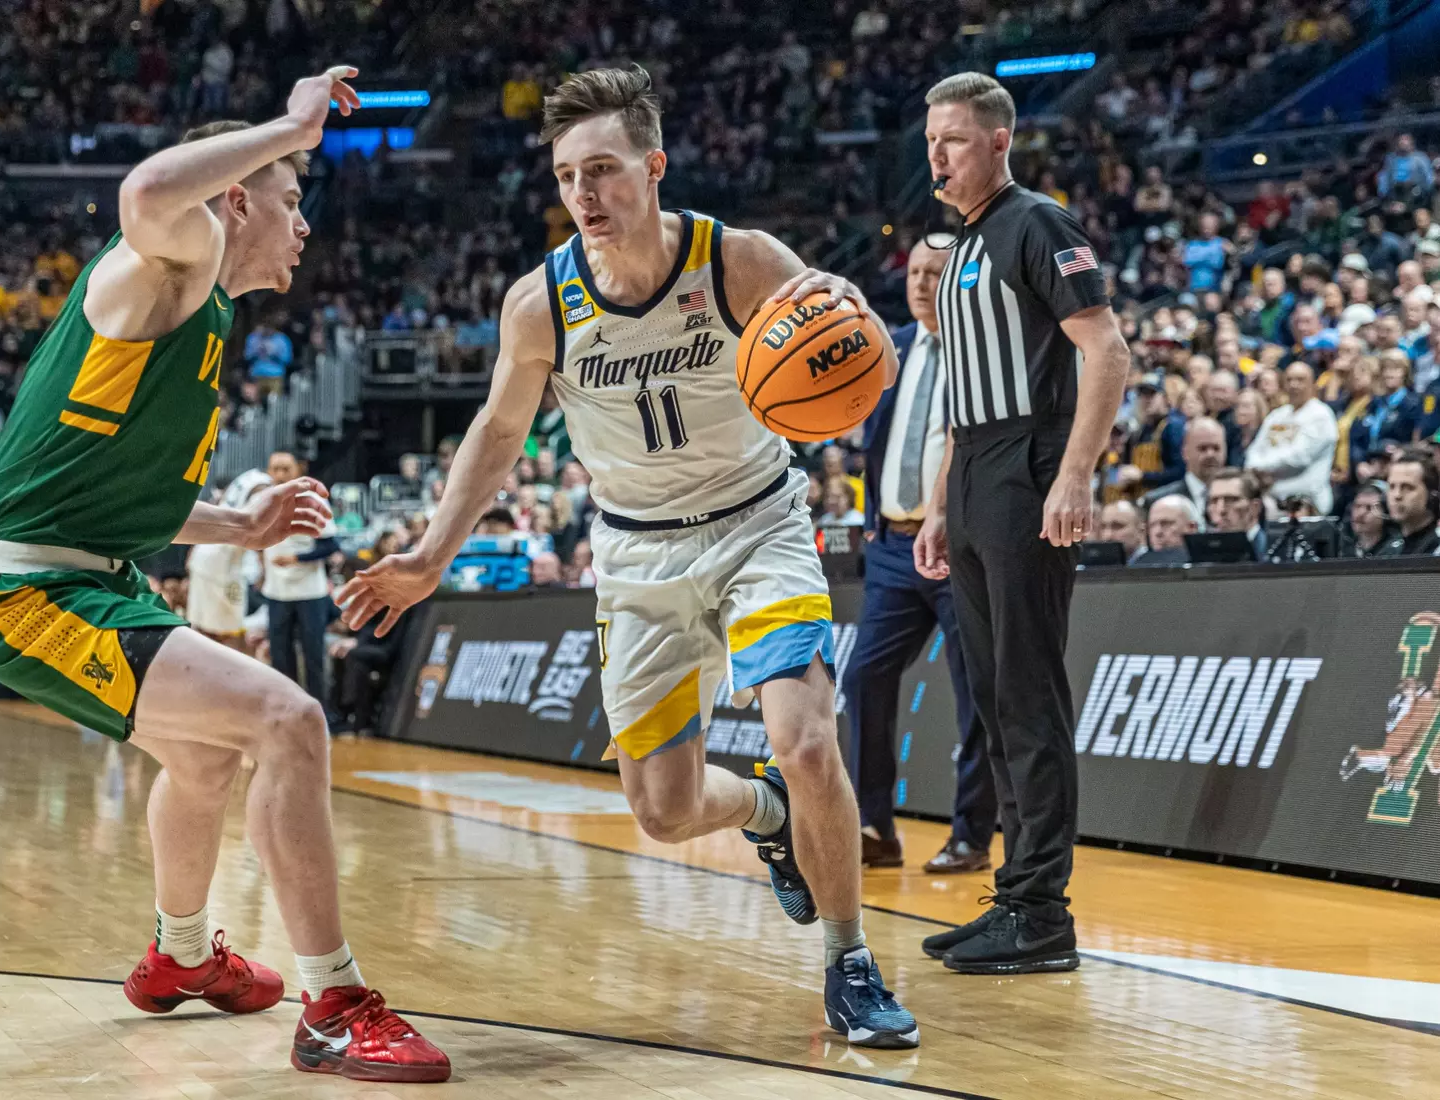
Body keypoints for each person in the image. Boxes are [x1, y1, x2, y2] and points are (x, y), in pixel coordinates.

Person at [337, 65, 919, 1048]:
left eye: (603, 170)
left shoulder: (737, 260)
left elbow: (868, 360)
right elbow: (495, 430)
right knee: (664, 807)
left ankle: (850, 960)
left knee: (810, 736)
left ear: (654, 166)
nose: (585, 195)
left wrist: (855, 327)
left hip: (755, 526)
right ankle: (765, 811)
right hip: (636, 556)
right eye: (568, 176)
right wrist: (433, 550)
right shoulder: (542, 304)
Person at [0, 68, 450, 1083]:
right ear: (234, 200)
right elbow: (142, 195)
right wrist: (290, 124)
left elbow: (115, 491)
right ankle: (336, 1003)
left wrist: (240, 523)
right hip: (27, 588)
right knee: (289, 719)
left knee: (206, 758)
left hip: (91, 572)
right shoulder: (173, 260)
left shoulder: (203, 314)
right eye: (292, 194)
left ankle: (180, 956)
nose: (303, 221)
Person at [915, 73, 1129, 975]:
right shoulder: (961, 243)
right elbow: (961, 398)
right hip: (973, 474)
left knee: (1030, 698)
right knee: (996, 699)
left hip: (1029, 467)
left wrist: (1073, 477)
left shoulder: (1038, 222)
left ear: (1000, 141)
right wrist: (938, 504)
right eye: (931, 141)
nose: (938, 155)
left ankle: (1043, 912)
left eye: (954, 140)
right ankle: (1014, 895)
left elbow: (1108, 352)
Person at [844, 236, 992, 876]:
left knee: (975, 693)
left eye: (937, 272)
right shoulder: (893, 347)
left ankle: (971, 835)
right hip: (894, 547)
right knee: (862, 677)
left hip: (961, 548)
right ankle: (875, 824)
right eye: (915, 271)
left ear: (958, 279)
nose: (921, 282)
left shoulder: (981, 348)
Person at [261, 451, 340, 722]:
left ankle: (320, 714)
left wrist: (296, 558)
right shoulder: (263, 501)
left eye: (286, 468)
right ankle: (286, 711)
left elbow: (330, 545)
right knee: (280, 655)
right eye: (275, 469)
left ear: (298, 469)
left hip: (310, 592)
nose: (280, 474)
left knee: (313, 654)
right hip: (276, 591)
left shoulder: (313, 500)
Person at [186, 468, 273, 652]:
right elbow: (259, 529)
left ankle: (205, 674)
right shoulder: (264, 487)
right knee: (231, 629)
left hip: (204, 555)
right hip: (221, 564)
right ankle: (236, 676)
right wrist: (264, 570)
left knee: (203, 626)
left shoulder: (247, 477)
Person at [1246, 362, 1337, 515]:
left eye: (1300, 380)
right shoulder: (1277, 415)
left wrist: (1262, 469)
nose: (1294, 385)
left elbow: (1299, 457)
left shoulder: (1320, 415)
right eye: (1289, 380)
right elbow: (1254, 450)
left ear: (1312, 384)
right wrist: (1253, 468)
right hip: (1271, 503)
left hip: (1307, 505)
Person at [1141, 417, 1225, 517]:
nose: (1210, 454)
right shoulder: (1156, 502)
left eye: (1216, 448)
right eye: (1202, 448)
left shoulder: (1239, 501)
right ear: (1185, 452)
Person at [1380, 450, 1440, 555]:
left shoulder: (1437, 547)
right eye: (1392, 486)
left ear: (1432, 495)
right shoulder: (1388, 550)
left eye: (1408, 487)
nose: (1397, 495)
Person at [1205, 467, 1269, 560]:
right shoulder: (1203, 555)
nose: (1221, 510)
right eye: (1214, 501)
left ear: (1255, 507)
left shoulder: (1275, 551)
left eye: (1231, 500)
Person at [1132, 496, 1197, 566]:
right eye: (1152, 525)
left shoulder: (1205, 562)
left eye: (1166, 523)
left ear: (1191, 527)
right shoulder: (1139, 564)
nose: (1157, 532)